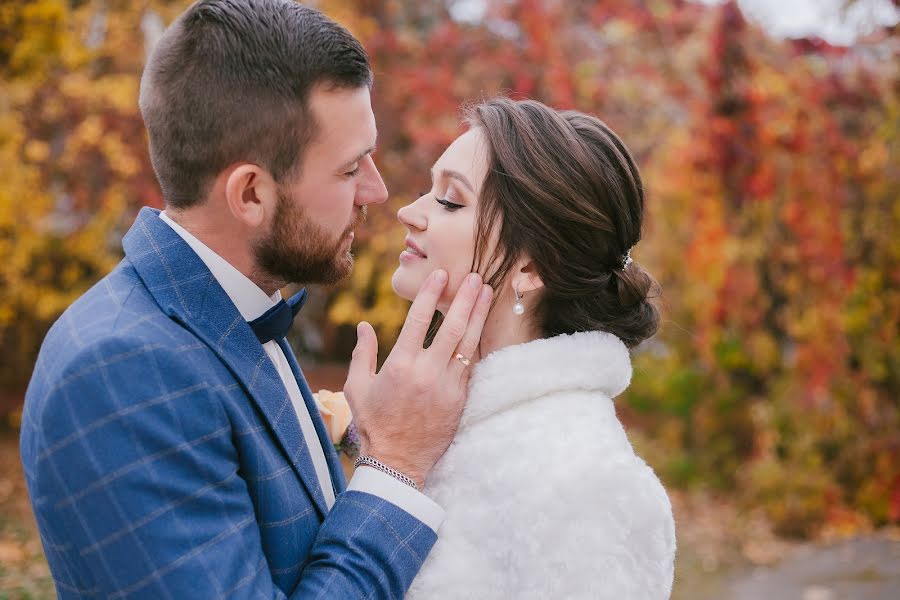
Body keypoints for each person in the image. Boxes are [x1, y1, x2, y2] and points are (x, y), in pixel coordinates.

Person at [19, 1, 492, 598]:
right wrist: (395, 467)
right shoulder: (124, 372)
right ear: (249, 194)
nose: (378, 190)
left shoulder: (225, 313)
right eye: (350, 170)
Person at [392, 98, 677, 599]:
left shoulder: (589, 482)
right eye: (428, 189)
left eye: (451, 200)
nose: (408, 212)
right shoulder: (430, 427)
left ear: (528, 269)